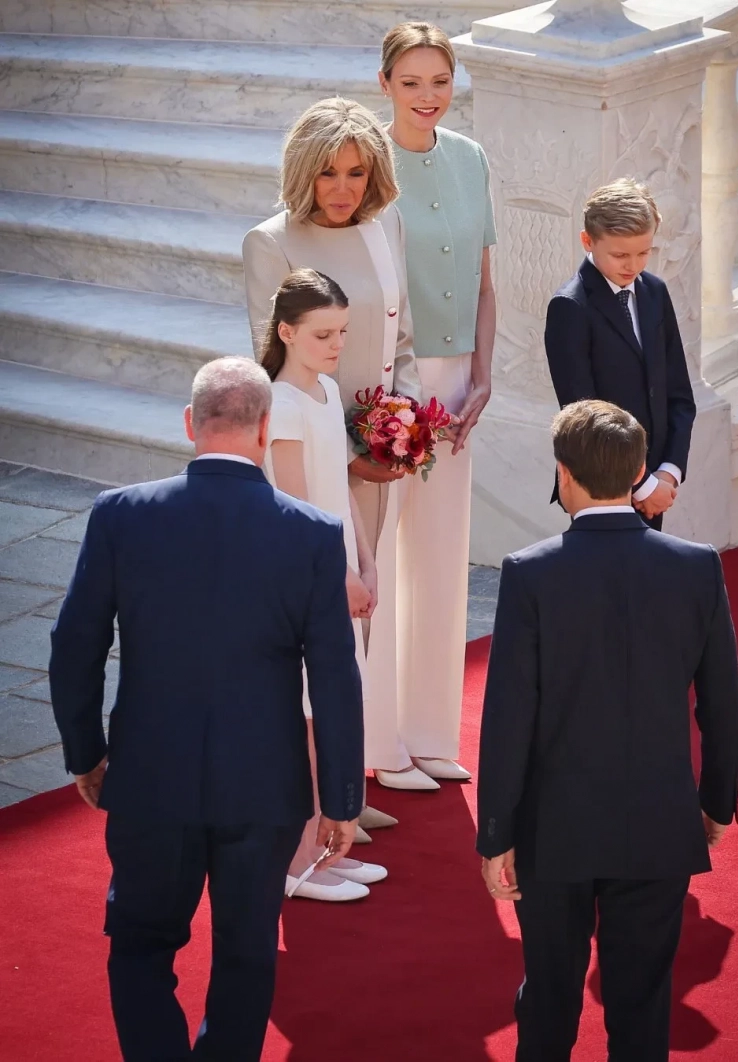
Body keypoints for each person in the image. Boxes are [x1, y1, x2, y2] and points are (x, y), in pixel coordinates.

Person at [48, 357, 364, 1062]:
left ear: (191, 423)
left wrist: (86, 754)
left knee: (140, 947)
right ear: (265, 429)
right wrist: (341, 797)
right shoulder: (313, 534)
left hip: (149, 780)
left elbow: (73, 647)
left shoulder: (120, 516)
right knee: (247, 954)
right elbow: (335, 678)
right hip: (265, 788)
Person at [477, 399, 738, 1061]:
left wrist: (496, 835)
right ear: (636, 475)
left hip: (553, 830)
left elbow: (508, 717)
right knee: (641, 1008)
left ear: (563, 474)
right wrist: (716, 804)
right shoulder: (696, 566)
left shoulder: (530, 573)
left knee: (549, 1002)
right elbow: (726, 705)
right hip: (659, 824)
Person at [242, 97, 435, 802]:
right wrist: (350, 454)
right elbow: (268, 359)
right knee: (319, 624)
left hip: (380, 456)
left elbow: (402, 340)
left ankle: (354, 774)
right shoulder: (270, 242)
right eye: (328, 173)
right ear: (303, 172)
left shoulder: (387, 227)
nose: (344, 188)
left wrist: (404, 430)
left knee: (364, 613)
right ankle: (322, 795)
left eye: (357, 172)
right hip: (314, 449)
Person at [376, 21, 497, 789]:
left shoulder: (471, 158)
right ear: (384, 83)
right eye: (412, 82)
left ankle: (429, 732)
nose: (429, 97)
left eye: (441, 82)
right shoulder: (365, 161)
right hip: (390, 379)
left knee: (443, 554)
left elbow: (484, 282)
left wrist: (483, 374)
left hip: (457, 387)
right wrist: (396, 387)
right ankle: (380, 743)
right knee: (385, 556)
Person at [262, 268, 388, 901]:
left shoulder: (329, 390)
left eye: (342, 331)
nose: (337, 344)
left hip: (337, 571)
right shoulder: (280, 402)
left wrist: (366, 560)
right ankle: (295, 863)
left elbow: (340, 489)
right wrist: (338, 575)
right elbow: (295, 505)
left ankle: (321, 851)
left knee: (327, 719)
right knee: (307, 724)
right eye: (323, 334)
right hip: (304, 581)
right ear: (286, 332)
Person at [544, 178, 696, 529]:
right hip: (599, 483)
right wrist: (643, 485)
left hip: (658, 479)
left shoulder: (655, 292)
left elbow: (678, 393)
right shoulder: (570, 306)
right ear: (587, 241)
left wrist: (669, 472)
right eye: (620, 255)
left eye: (644, 253)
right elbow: (583, 415)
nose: (633, 266)